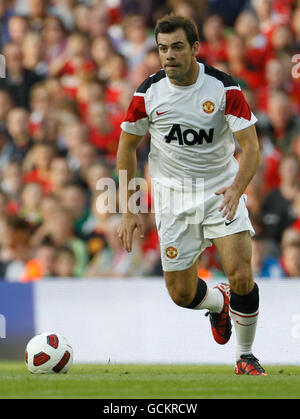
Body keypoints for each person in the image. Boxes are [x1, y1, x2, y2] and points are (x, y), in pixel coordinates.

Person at [117, 15, 265, 375]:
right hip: (172, 199)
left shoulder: (223, 89)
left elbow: (251, 147)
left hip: (220, 192)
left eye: (177, 47)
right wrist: (129, 206)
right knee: (181, 294)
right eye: (162, 48)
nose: (168, 55)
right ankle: (218, 304)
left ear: (195, 48)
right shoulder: (147, 93)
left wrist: (237, 189)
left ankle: (245, 357)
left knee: (241, 274)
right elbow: (127, 148)